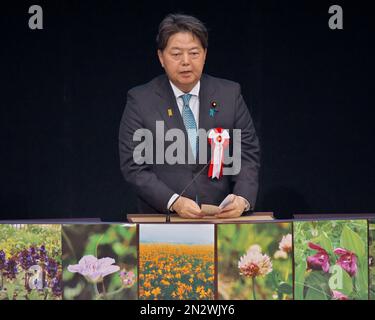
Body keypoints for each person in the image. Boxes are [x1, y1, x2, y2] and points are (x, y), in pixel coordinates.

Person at [119, 13, 260, 219]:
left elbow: (247, 154)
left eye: (194, 53)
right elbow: (134, 166)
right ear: (161, 57)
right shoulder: (140, 100)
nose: (186, 62)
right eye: (176, 54)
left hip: (221, 220)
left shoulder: (229, 94)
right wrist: (173, 201)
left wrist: (242, 198)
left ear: (205, 54)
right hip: (163, 219)